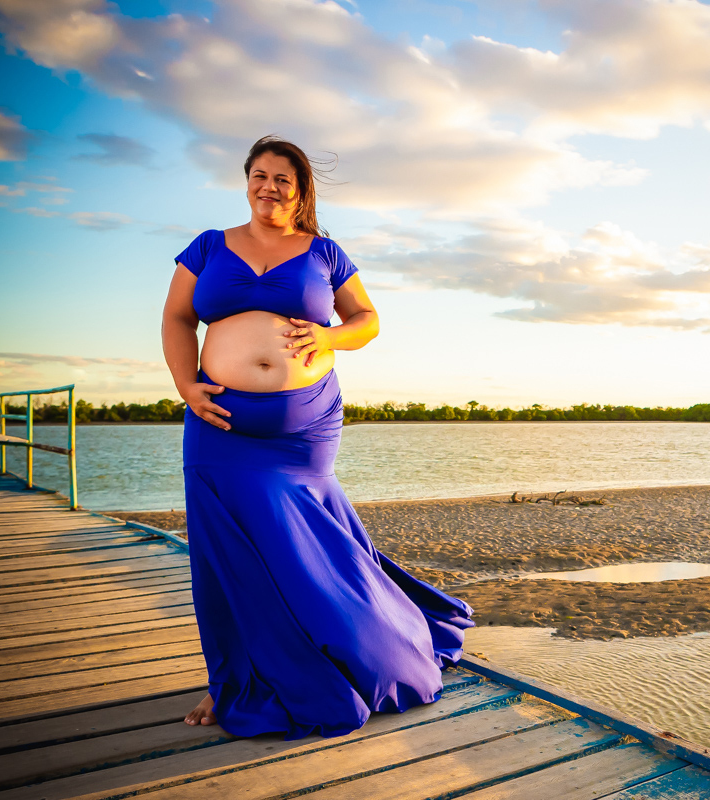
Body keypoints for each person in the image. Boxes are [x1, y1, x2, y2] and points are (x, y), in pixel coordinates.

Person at [161, 135, 474, 740]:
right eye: (259, 174)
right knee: (228, 557)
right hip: (218, 425)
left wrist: (328, 336)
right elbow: (178, 317)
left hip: (302, 427)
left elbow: (367, 320)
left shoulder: (324, 252)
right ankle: (232, 679)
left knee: (306, 550)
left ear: (300, 189)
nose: (268, 186)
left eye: (282, 178)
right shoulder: (208, 246)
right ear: (246, 181)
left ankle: (370, 648)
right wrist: (185, 386)